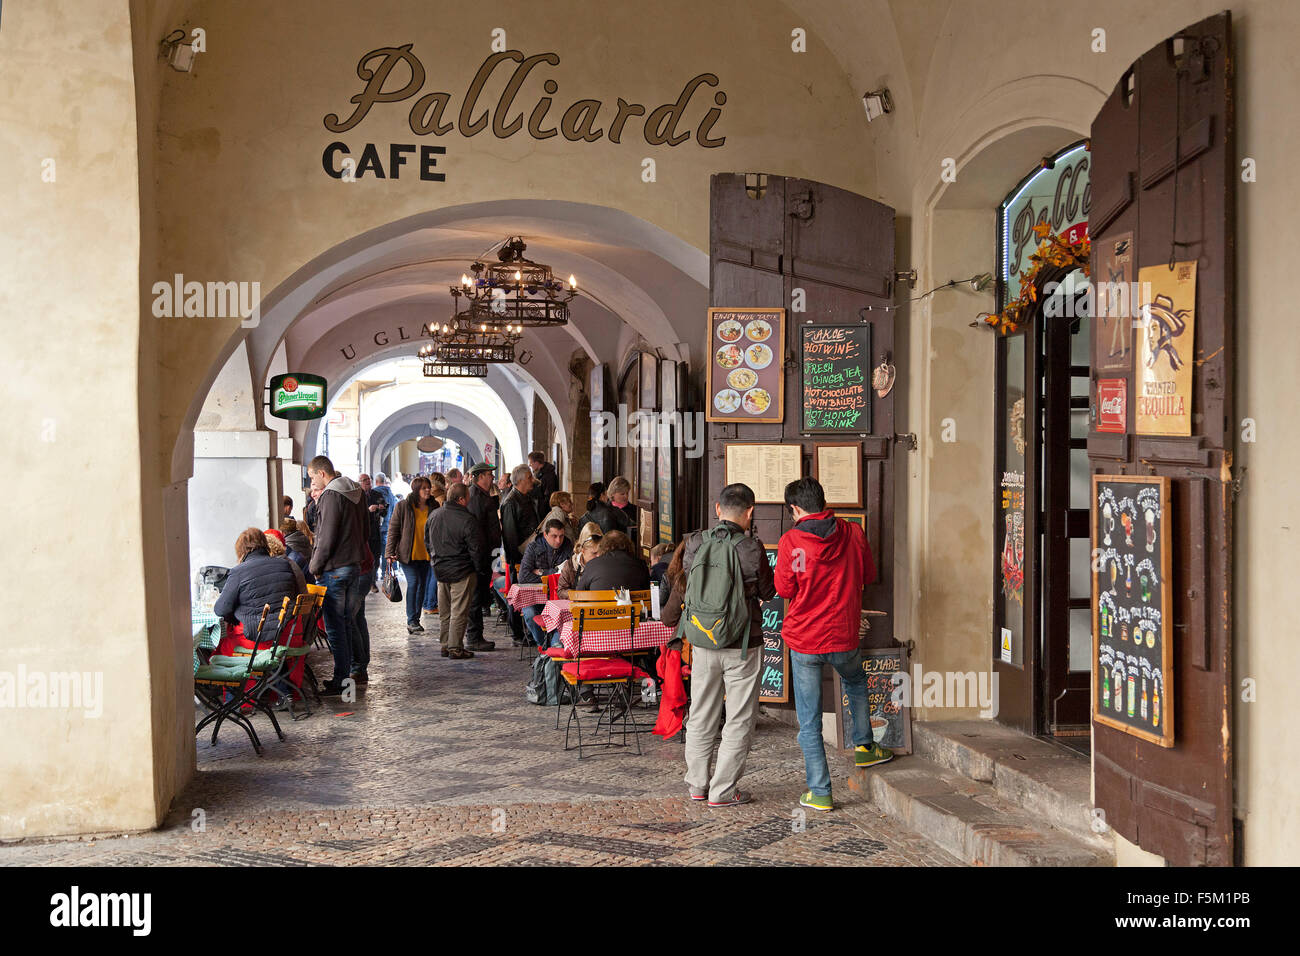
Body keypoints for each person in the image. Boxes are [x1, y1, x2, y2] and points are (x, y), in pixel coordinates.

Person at [776, 476, 891, 812]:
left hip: (805, 639)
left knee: (809, 720)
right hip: (843, 634)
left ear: (795, 509)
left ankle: (821, 791)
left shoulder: (790, 541)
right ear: (822, 502)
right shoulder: (853, 533)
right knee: (855, 682)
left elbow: (783, 590)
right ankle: (866, 747)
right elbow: (868, 575)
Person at [678, 483, 775, 808]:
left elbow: (689, 579)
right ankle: (722, 791)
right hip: (742, 643)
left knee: (701, 712)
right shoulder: (751, 549)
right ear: (750, 512)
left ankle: (697, 784)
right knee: (738, 718)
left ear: (718, 510)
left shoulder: (695, 542)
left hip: (703, 640)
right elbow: (768, 592)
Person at [307, 455, 373, 694]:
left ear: (322, 474)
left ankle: (341, 680)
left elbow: (326, 536)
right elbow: (366, 530)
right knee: (347, 622)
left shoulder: (331, 495)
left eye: (312, 477)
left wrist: (314, 567)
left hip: (334, 569)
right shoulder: (357, 493)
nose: (312, 482)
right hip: (354, 565)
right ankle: (352, 673)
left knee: (336, 626)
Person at [214, 527, 306, 648]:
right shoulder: (284, 564)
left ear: (241, 549)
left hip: (257, 641)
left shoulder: (238, 572)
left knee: (219, 647)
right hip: (288, 636)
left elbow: (220, 609)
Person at [424, 482, 484, 659]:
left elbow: (428, 542)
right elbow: (475, 549)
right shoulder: (467, 519)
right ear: (461, 499)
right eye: (468, 497)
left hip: (440, 569)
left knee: (445, 610)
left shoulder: (434, 515)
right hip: (462, 570)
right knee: (459, 610)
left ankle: (445, 644)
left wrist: (435, 559)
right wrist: (478, 568)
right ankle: (455, 647)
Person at [385, 475, 435, 635]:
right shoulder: (403, 506)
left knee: (422, 586)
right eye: (424, 488)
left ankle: (416, 619)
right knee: (414, 583)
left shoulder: (433, 506)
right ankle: (411, 620)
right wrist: (389, 553)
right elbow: (393, 530)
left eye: (429, 487)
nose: (428, 490)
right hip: (408, 554)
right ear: (416, 490)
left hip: (427, 554)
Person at [497, 464, 539, 646]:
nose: (532, 481)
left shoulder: (526, 498)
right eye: (530, 477)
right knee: (516, 594)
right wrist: (515, 560)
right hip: (519, 558)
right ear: (521, 480)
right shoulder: (510, 502)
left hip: (529, 555)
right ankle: (517, 633)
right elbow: (510, 534)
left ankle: (526, 630)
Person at [518, 518, 574, 646]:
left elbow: (570, 575)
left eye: (561, 536)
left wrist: (541, 572)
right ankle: (543, 645)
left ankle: (553, 645)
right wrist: (553, 573)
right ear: (545, 534)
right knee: (530, 613)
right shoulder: (533, 547)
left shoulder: (567, 545)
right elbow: (523, 577)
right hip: (535, 598)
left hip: (557, 597)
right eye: (554, 536)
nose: (558, 540)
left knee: (566, 616)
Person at [463, 462, 500, 652]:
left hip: (485, 554)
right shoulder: (476, 497)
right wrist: (479, 560)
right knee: (475, 597)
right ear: (480, 477)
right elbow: (476, 531)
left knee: (479, 595)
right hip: (479, 556)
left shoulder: (482, 495)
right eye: (489, 474)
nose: (492, 477)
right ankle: (474, 637)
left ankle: (476, 635)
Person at [575, 530, 650, 591]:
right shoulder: (640, 564)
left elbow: (579, 594)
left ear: (603, 546)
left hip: (599, 609)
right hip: (631, 609)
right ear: (629, 545)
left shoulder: (592, 565)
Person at [359, 474, 389, 593]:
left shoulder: (377, 494)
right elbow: (355, 513)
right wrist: (368, 510)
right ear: (360, 482)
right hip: (362, 532)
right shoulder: (357, 496)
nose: (368, 482)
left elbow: (385, 511)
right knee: (365, 557)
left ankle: (373, 581)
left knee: (376, 557)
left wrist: (382, 508)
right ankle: (367, 581)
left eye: (369, 480)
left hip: (375, 531)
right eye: (364, 480)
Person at [555, 523, 602, 599]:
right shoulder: (571, 565)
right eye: (594, 553)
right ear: (583, 550)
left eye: (601, 551)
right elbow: (561, 591)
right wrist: (579, 595)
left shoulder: (606, 564)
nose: (599, 555)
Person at [279, 518, 315, 584]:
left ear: (283, 532)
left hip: (299, 580)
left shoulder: (288, 545)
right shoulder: (304, 538)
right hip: (310, 577)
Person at [607, 476, 638, 549]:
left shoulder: (635, 510)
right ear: (612, 494)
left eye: (627, 493)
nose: (626, 496)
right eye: (622, 494)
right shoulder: (605, 510)